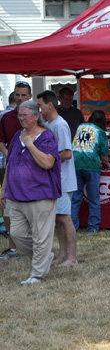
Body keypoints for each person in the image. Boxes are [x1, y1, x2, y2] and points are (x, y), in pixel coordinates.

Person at [0, 100, 61, 284]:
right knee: (16, 234)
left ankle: (37, 274)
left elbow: (48, 163)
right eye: (19, 115)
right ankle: (42, 258)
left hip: (40, 194)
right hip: (16, 195)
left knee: (41, 236)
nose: (21, 118)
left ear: (36, 116)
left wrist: (31, 145)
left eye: (25, 115)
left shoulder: (47, 137)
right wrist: (3, 190)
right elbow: (10, 164)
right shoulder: (17, 136)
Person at [37, 90, 78, 266]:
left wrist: (48, 158)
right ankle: (62, 255)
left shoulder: (60, 125)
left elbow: (68, 153)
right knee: (58, 218)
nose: (39, 110)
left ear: (50, 105)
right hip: (55, 180)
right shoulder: (51, 124)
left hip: (63, 180)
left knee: (64, 218)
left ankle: (72, 257)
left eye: (40, 106)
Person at [0, 81, 32, 262]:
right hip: (10, 169)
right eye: (18, 95)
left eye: (24, 95)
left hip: (32, 170)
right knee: (8, 207)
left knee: (31, 207)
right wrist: (10, 155)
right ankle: (12, 248)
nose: (20, 98)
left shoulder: (37, 117)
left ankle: (32, 246)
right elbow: (1, 141)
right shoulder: (6, 118)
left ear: (30, 96)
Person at [71, 110, 110, 233]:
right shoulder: (100, 132)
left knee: (75, 199)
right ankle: (93, 227)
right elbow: (104, 156)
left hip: (75, 164)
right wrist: (108, 164)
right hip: (91, 166)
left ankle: (72, 227)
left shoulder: (81, 126)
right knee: (93, 198)